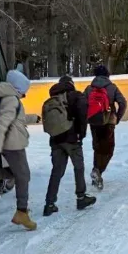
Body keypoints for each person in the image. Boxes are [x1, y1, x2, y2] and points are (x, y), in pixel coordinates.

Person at [0, 69, 38, 230]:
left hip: (14, 142)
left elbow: (18, 119)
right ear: (17, 88)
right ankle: (21, 213)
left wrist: (34, 118)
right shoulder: (11, 100)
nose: (24, 95)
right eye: (23, 92)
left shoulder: (10, 98)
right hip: (12, 144)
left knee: (19, 173)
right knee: (24, 176)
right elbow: (3, 123)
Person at [42, 76, 97, 217]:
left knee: (56, 171)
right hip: (72, 139)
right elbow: (83, 114)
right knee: (78, 167)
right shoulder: (76, 96)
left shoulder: (52, 98)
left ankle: (49, 204)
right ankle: (81, 198)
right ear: (71, 84)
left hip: (56, 140)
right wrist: (81, 134)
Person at [83, 65, 127, 190]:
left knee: (97, 148)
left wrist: (86, 117)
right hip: (108, 122)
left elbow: (82, 104)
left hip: (94, 121)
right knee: (108, 149)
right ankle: (98, 171)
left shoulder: (89, 88)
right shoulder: (112, 87)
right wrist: (117, 117)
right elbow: (123, 103)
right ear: (107, 75)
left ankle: (96, 172)